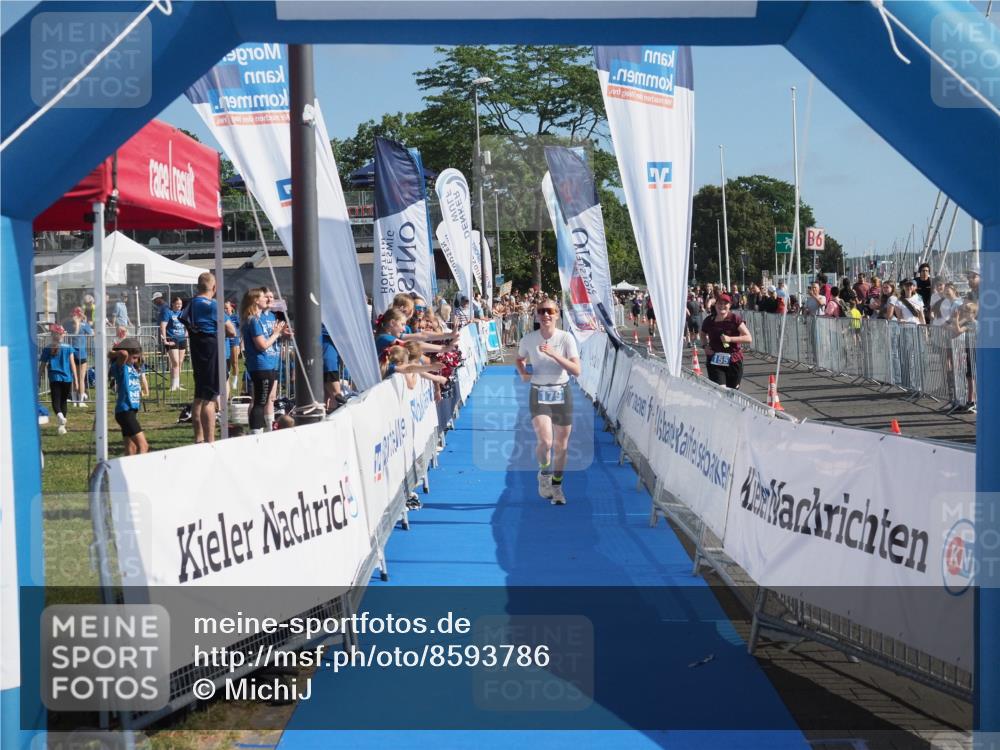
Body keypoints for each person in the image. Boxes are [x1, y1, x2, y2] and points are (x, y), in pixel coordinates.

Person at [516, 299, 581, 506]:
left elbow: (576, 370)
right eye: (542, 311)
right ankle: (544, 473)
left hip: (562, 392)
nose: (546, 315)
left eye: (550, 311)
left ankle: (557, 485)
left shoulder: (565, 338)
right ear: (536, 315)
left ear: (557, 314)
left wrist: (554, 354)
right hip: (539, 392)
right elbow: (519, 359)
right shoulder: (528, 339)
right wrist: (523, 373)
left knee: (561, 446)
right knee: (546, 442)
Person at [181, 272, 236, 443]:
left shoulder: (190, 304)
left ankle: (199, 437)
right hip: (211, 350)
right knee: (210, 399)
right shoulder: (213, 305)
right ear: (214, 287)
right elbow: (232, 330)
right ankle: (210, 441)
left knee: (199, 396)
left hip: (197, 350)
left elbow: (185, 322)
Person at [241, 288, 286, 434]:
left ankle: (264, 430)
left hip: (268, 364)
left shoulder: (257, 318)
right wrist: (276, 334)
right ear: (255, 300)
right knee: (260, 401)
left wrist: (279, 334)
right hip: (261, 365)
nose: (267, 300)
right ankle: (256, 434)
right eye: (263, 297)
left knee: (265, 399)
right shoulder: (253, 320)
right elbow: (262, 345)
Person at [699, 293, 752, 390]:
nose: (722, 306)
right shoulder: (709, 320)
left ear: (730, 305)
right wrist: (705, 346)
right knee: (721, 390)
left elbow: (748, 338)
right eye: (719, 303)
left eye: (725, 303)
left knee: (732, 391)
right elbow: (702, 334)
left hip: (734, 360)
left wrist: (730, 339)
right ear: (715, 305)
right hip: (715, 359)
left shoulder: (735, 319)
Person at [109, 338, 149, 455]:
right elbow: (123, 353)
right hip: (124, 411)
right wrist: (115, 353)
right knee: (143, 446)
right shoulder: (120, 367)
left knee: (131, 449)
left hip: (131, 411)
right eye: (134, 357)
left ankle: (128, 471)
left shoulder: (132, 367)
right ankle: (140, 471)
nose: (136, 360)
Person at [38, 324, 78, 435]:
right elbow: (72, 364)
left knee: (56, 402)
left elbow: (42, 365)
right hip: (67, 378)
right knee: (63, 402)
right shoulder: (69, 348)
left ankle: (60, 416)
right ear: (63, 334)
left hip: (54, 378)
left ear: (52, 335)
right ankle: (62, 426)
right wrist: (76, 380)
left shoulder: (47, 348)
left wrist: (38, 378)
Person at [63, 307, 92, 406]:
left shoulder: (67, 324)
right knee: (81, 378)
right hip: (81, 353)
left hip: (70, 353)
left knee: (72, 376)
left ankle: (74, 400)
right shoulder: (84, 325)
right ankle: (81, 401)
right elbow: (91, 333)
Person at [160, 296, 188, 391]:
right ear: (173, 304)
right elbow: (163, 325)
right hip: (171, 338)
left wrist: (186, 334)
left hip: (182, 339)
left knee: (179, 363)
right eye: (177, 304)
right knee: (175, 362)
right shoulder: (168, 312)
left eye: (180, 304)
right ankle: (173, 385)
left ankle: (177, 384)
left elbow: (187, 325)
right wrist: (164, 339)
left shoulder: (182, 313)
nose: (179, 306)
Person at [321, 323, 343, 413]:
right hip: (329, 365)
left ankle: (324, 418)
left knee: (327, 396)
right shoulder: (328, 331)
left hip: (328, 363)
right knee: (337, 397)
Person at [225, 299, 242, 393]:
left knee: (234, 362)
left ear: (231, 308)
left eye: (227, 308)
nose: (225, 310)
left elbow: (240, 328)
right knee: (226, 362)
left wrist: (240, 341)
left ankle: (235, 381)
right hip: (226, 341)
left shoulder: (235, 317)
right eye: (224, 308)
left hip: (234, 342)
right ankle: (226, 380)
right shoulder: (223, 317)